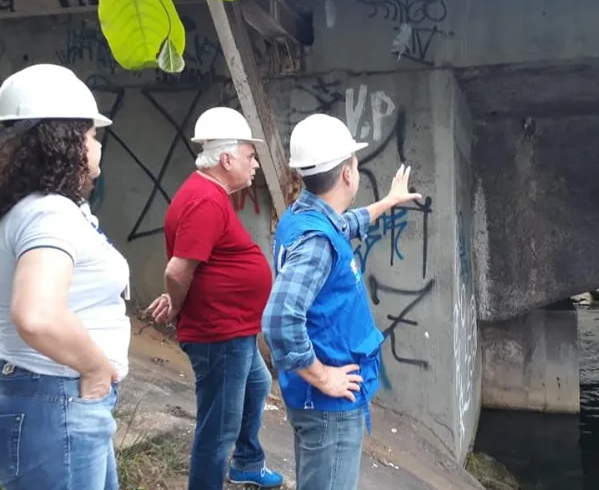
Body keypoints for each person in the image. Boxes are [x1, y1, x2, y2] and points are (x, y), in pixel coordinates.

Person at [262, 113, 421, 490]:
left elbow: (347, 224)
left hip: (317, 401)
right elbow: (279, 321)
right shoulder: (317, 243)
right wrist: (323, 376)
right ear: (349, 174)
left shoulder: (304, 217)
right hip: (328, 405)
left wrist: (388, 202)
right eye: (354, 161)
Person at [0, 64, 129, 490]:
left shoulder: (41, 208)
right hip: (60, 398)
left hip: (57, 399)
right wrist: (94, 369)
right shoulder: (48, 213)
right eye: (91, 135)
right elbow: (37, 314)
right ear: (65, 141)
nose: (98, 144)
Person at [147, 106, 283, 490]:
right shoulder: (206, 200)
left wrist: (178, 295)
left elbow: (194, 265)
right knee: (217, 430)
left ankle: (247, 462)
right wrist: (175, 302)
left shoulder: (209, 193)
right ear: (226, 158)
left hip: (232, 330)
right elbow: (177, 270)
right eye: (249, 156)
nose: (254, 164)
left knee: (257, 385)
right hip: (219, 334)